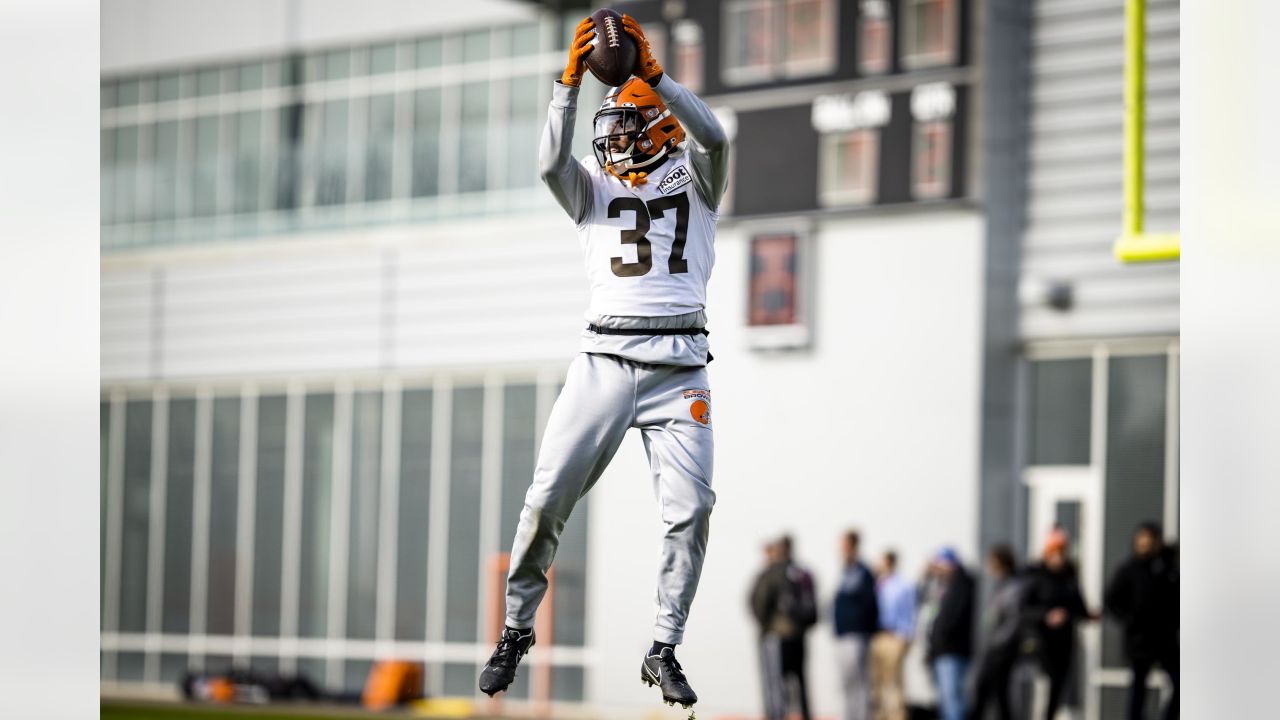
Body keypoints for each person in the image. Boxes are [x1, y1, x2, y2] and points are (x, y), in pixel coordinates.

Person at [477, 13, 730, 711]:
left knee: (692, 510)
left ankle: (663, 647)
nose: (613, 140)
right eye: (609, 130)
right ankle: (516, 628)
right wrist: (566, 86)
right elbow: (547, 164)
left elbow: (715, 134)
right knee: (545, 500)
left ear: (659, 129)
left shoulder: (699, 177)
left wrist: (656, 78)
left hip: (680, 366)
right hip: (605, 360)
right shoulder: (591, 185)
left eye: (626, 128)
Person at [1104, 522, 1179, 720]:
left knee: (1181, 683)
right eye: (1141, 540)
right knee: (1138, 690)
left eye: (1149, 541)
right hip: (1139, 640)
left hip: (1165, 639)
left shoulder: (1166, 569)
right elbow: (1112, 600)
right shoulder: (1128, 570)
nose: (1145, 545)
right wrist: (1130, 619)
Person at [1022, 528, 1093, 720]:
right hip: (1042, 642)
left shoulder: (1069, 578)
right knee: (1044, 684)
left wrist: (1088, 615)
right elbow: (1024, 610)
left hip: (1064, 641)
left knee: (1059, 686)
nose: (1059, 557)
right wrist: (1046, 616)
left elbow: (1079, 606)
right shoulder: (1036, 577)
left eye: (1063, 552)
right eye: (1056, 552)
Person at [750, 536, 817, 720]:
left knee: (774, 684)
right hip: (798, 636)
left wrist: (766, 627)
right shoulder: (803, 573)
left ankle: (776, 716)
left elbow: (759, 603)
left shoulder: (772, 573)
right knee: (800, 683)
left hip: (776, 636)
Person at [970, 545, 1024, 720]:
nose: (988, 566)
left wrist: (997, 643)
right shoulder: (999, 585)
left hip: (1000, 651)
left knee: (995, 694)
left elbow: (1013, 621)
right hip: (993, 648)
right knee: (987, 693)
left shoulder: (1012, 587)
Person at [834, 530, 880, 720]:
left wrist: (865, 629)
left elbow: (871, 604)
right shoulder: (845, 572)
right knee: (847, 684)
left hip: (858, 635)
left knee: (859, 684)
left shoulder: (863, 573)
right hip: (843, 635)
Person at [924, 547, 974, 720]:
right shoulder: (943, 585)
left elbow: (950, 619)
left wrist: (941, 637)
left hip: (952, 651)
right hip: (940, 651)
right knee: (944, 701)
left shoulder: (961, 584)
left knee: (953, 699)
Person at [871, 551, 915, 720]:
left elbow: (911, 612)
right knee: (878, 682)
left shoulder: (903, 585)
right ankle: (880, 715)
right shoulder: (878, 584)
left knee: (894, 681)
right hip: (879, 636)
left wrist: (906, 637)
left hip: (895, 636)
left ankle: (898, 715)